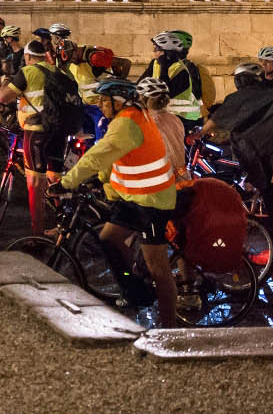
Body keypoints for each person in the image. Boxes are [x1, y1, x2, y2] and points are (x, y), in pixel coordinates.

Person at [53, 78, 179, 327]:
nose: (100, 105)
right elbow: (112, 157)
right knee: (108, 239)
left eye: (104, 100)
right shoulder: (129, 118)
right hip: (135, 198)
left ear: (118, 102)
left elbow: (96, 156)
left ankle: (169, 328)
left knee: (158, 269)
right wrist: (99, 179)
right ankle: (135, 288)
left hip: (152, 202)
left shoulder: (127, 122)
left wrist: (65, 183)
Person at [204, 63, 273, 270]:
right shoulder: (268, 93)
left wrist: (198, 133)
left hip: (269, 157)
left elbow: (221, 118)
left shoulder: (246, 96)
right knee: (267, 197)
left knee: (271, 203)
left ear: (241, 81)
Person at [0, 40, 68, 235]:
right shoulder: (56, 71)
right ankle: (64, 226)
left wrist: (4, 80)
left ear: (28, 57)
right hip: (58, 132)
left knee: (36, 183)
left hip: (36, 133)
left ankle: (37, 234)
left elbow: (3, 97)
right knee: (56, 177)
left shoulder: (28, 72)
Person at [140, 31, 204, 133]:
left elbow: (163, 93)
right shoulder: (155, 64)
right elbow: (141, 84)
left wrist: (164, 66)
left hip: (185, 118)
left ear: (165, 53)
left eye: (156, 49)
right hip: (165, 116)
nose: (153, 52)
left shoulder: (181, 71)